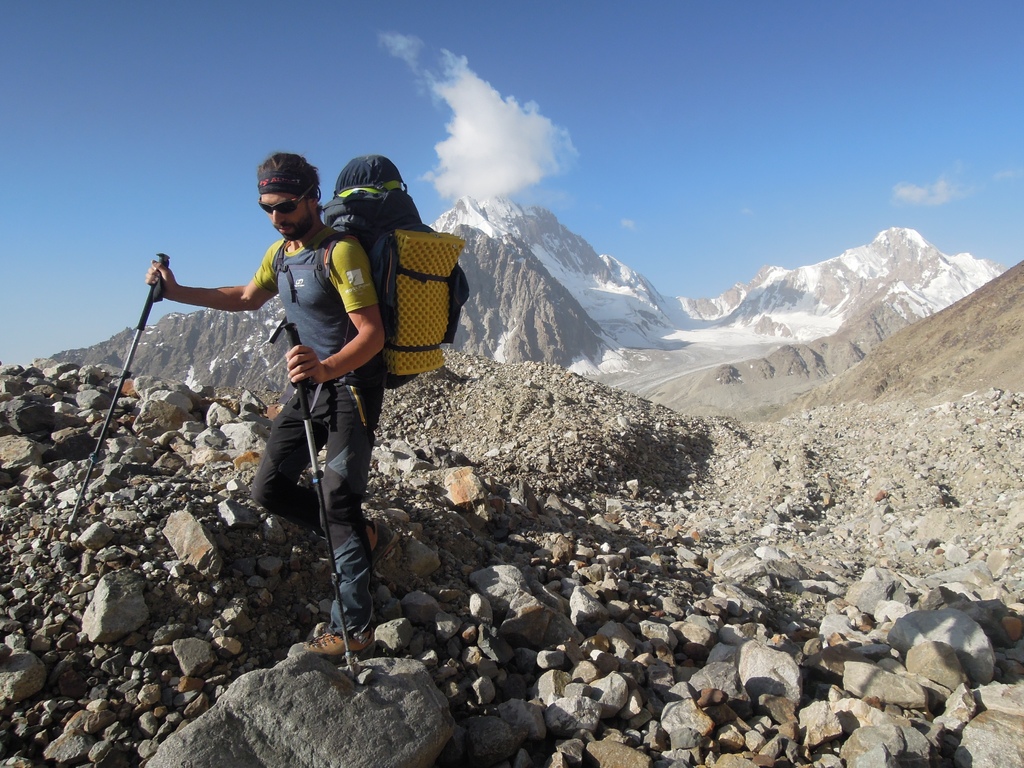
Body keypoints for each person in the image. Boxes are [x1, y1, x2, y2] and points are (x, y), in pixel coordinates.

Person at [146, 151, 395, 658]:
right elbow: (244, 296)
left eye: (284, 206)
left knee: (337, 500)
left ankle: (354, 630)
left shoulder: (340, 253)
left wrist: (327, 368)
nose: (277, 218)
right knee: (270, 488)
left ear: (311, 198)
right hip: (307, 390)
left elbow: (372, 334)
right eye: (267, 208)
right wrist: (175, 292)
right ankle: (365, 538)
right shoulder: (281, 254)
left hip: (349, 391)